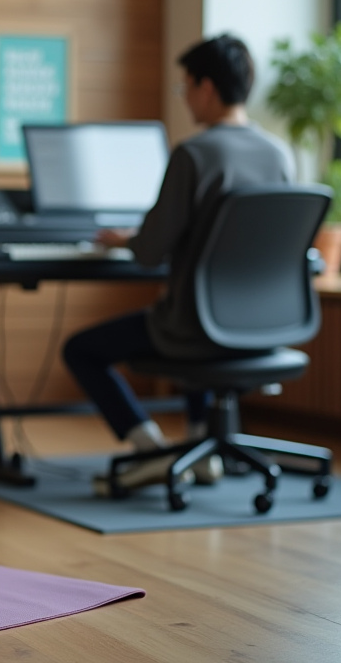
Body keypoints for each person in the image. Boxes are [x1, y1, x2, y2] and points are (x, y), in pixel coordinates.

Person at [61, 34, 295, 496]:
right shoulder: (280, 154)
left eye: (185, 86)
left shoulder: (194, 154)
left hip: (196, 327)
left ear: (206, 87)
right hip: (262, 325)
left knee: (81, 349)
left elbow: (149, 251)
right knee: (194, 319)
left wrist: (128, 239)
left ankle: (150, 449)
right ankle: (197, 448)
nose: (185, 97)